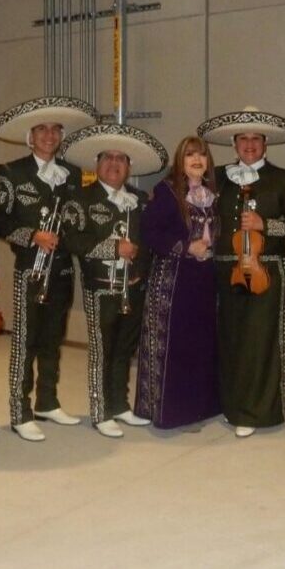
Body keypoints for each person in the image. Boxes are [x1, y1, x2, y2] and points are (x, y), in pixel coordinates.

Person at [198, 109, 285, 438]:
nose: (249, 144)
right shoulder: (215, 177)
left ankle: (258, 412)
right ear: (234, 143)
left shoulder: (284, 179)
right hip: (223, 267)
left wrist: (266, 225)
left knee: (260, 340)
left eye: (256, 139)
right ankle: (230, 404)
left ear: (265, 144)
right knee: (230, 338)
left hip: (267, 267)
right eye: (243, 138)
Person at [0, 97, 96, 442]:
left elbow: (80, 220)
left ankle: (47, 401)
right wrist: (32, 235)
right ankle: (19, 411)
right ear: (30, 136)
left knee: (53, 338)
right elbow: (0, 222)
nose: (49, 135)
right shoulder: (10, 172)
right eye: (41, 129)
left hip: (64, 269)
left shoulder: (74, 174)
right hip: (30, 271)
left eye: (54, 130)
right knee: (25, 340)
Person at [59, 123, 168, 438]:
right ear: (97, 164)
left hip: (134, 288)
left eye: (121, 159)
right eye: (108, 158)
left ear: (129, 167)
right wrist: (112, 247)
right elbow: (70, 239)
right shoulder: (80, 198)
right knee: (102, 351)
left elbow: (149, 241)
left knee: (124, 349)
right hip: (100, 288)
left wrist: (144, 276)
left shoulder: (139, 199)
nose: (114, 164)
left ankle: (120, 404)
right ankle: (99, 410)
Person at [134, 135, 222, 429]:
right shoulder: (167, 191)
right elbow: (149, 231)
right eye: (190, 155)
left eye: (201, 155)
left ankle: (197, 408)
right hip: (173, 280)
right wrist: (185, 247)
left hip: (202, 280)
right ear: (180, 161)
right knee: (174, 347)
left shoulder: (212, 192)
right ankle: (170, 411)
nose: (196, 160)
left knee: (199, 345)